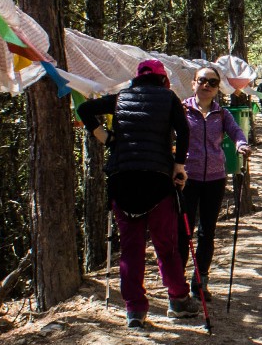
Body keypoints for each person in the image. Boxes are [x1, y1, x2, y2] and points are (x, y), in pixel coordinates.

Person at [77, 59, 192, 328]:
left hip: (123, 179)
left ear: (137, 79)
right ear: (163, 80)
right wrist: (179, 166)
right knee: (166, 245)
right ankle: (178, 299)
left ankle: (135, 310)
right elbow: (183, 130)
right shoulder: (168, 98)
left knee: (131, 248)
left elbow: (84, 109)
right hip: (157, 179)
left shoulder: (120, 98)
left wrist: (105, 137)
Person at [182, 62, 250, 292]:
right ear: (193, 84)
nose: (206, 85)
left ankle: (200, 280)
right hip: (186, 178)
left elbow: (236, 132)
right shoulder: (181, 110)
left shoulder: (222, 113)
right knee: (184, 231)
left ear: (217, 88)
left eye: (212, 82)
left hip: (214, 178)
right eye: (202, 80)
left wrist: (241, 144)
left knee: (207, 231)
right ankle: (177, 282)